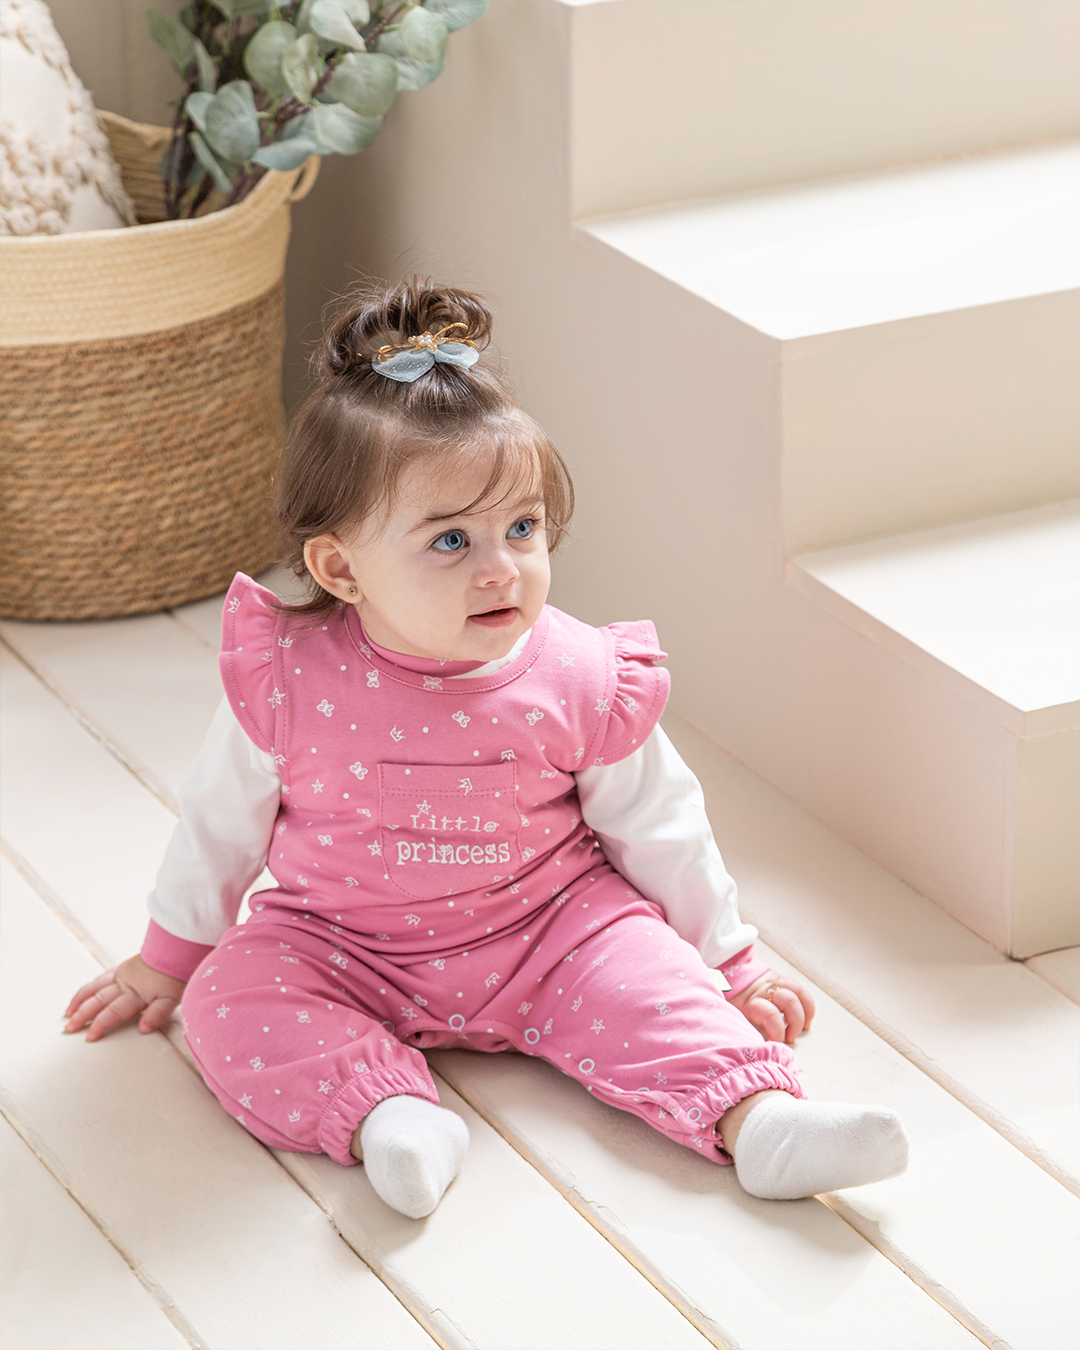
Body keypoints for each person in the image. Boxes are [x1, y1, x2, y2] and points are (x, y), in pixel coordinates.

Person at [64, 280, 908, 1219]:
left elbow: (660, 823)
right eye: (451, 542)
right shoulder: (290, 680)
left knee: (655, 984)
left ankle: (761, 1123)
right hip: (342, 942)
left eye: (522, 528)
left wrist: (732, 960)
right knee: (231, 999)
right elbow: (218, 824)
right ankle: (389, 1119)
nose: (501, 567)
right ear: (341, 568)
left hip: (556, 934)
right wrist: (167, 960)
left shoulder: (582, 676)